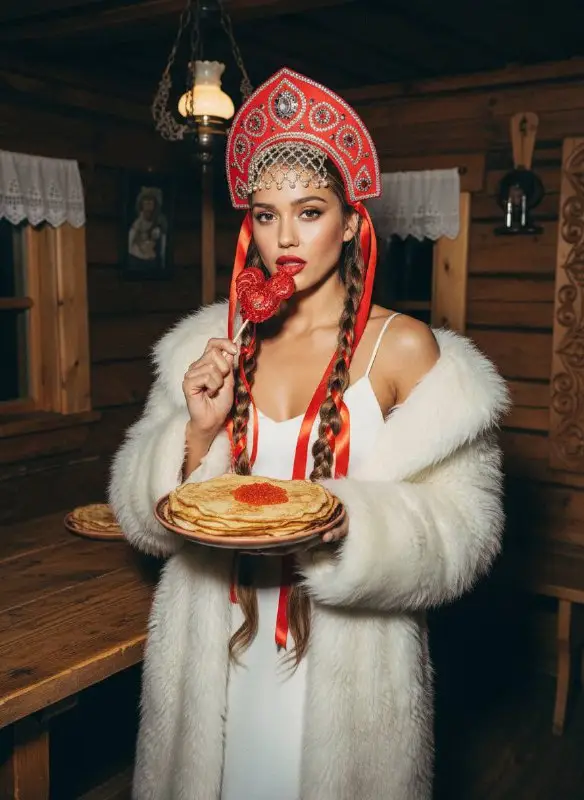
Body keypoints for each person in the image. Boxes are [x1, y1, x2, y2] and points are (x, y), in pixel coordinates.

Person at [109, 68, 509, 800]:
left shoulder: (409, 350)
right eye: (265, 215)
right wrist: (197, 435)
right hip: (212, 648)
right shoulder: (212, 342)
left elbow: (467, 531)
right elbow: (144, 517)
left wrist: (349, 527)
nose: (284, 236)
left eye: (310, 211)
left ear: (353, 222)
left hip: (347, 665)